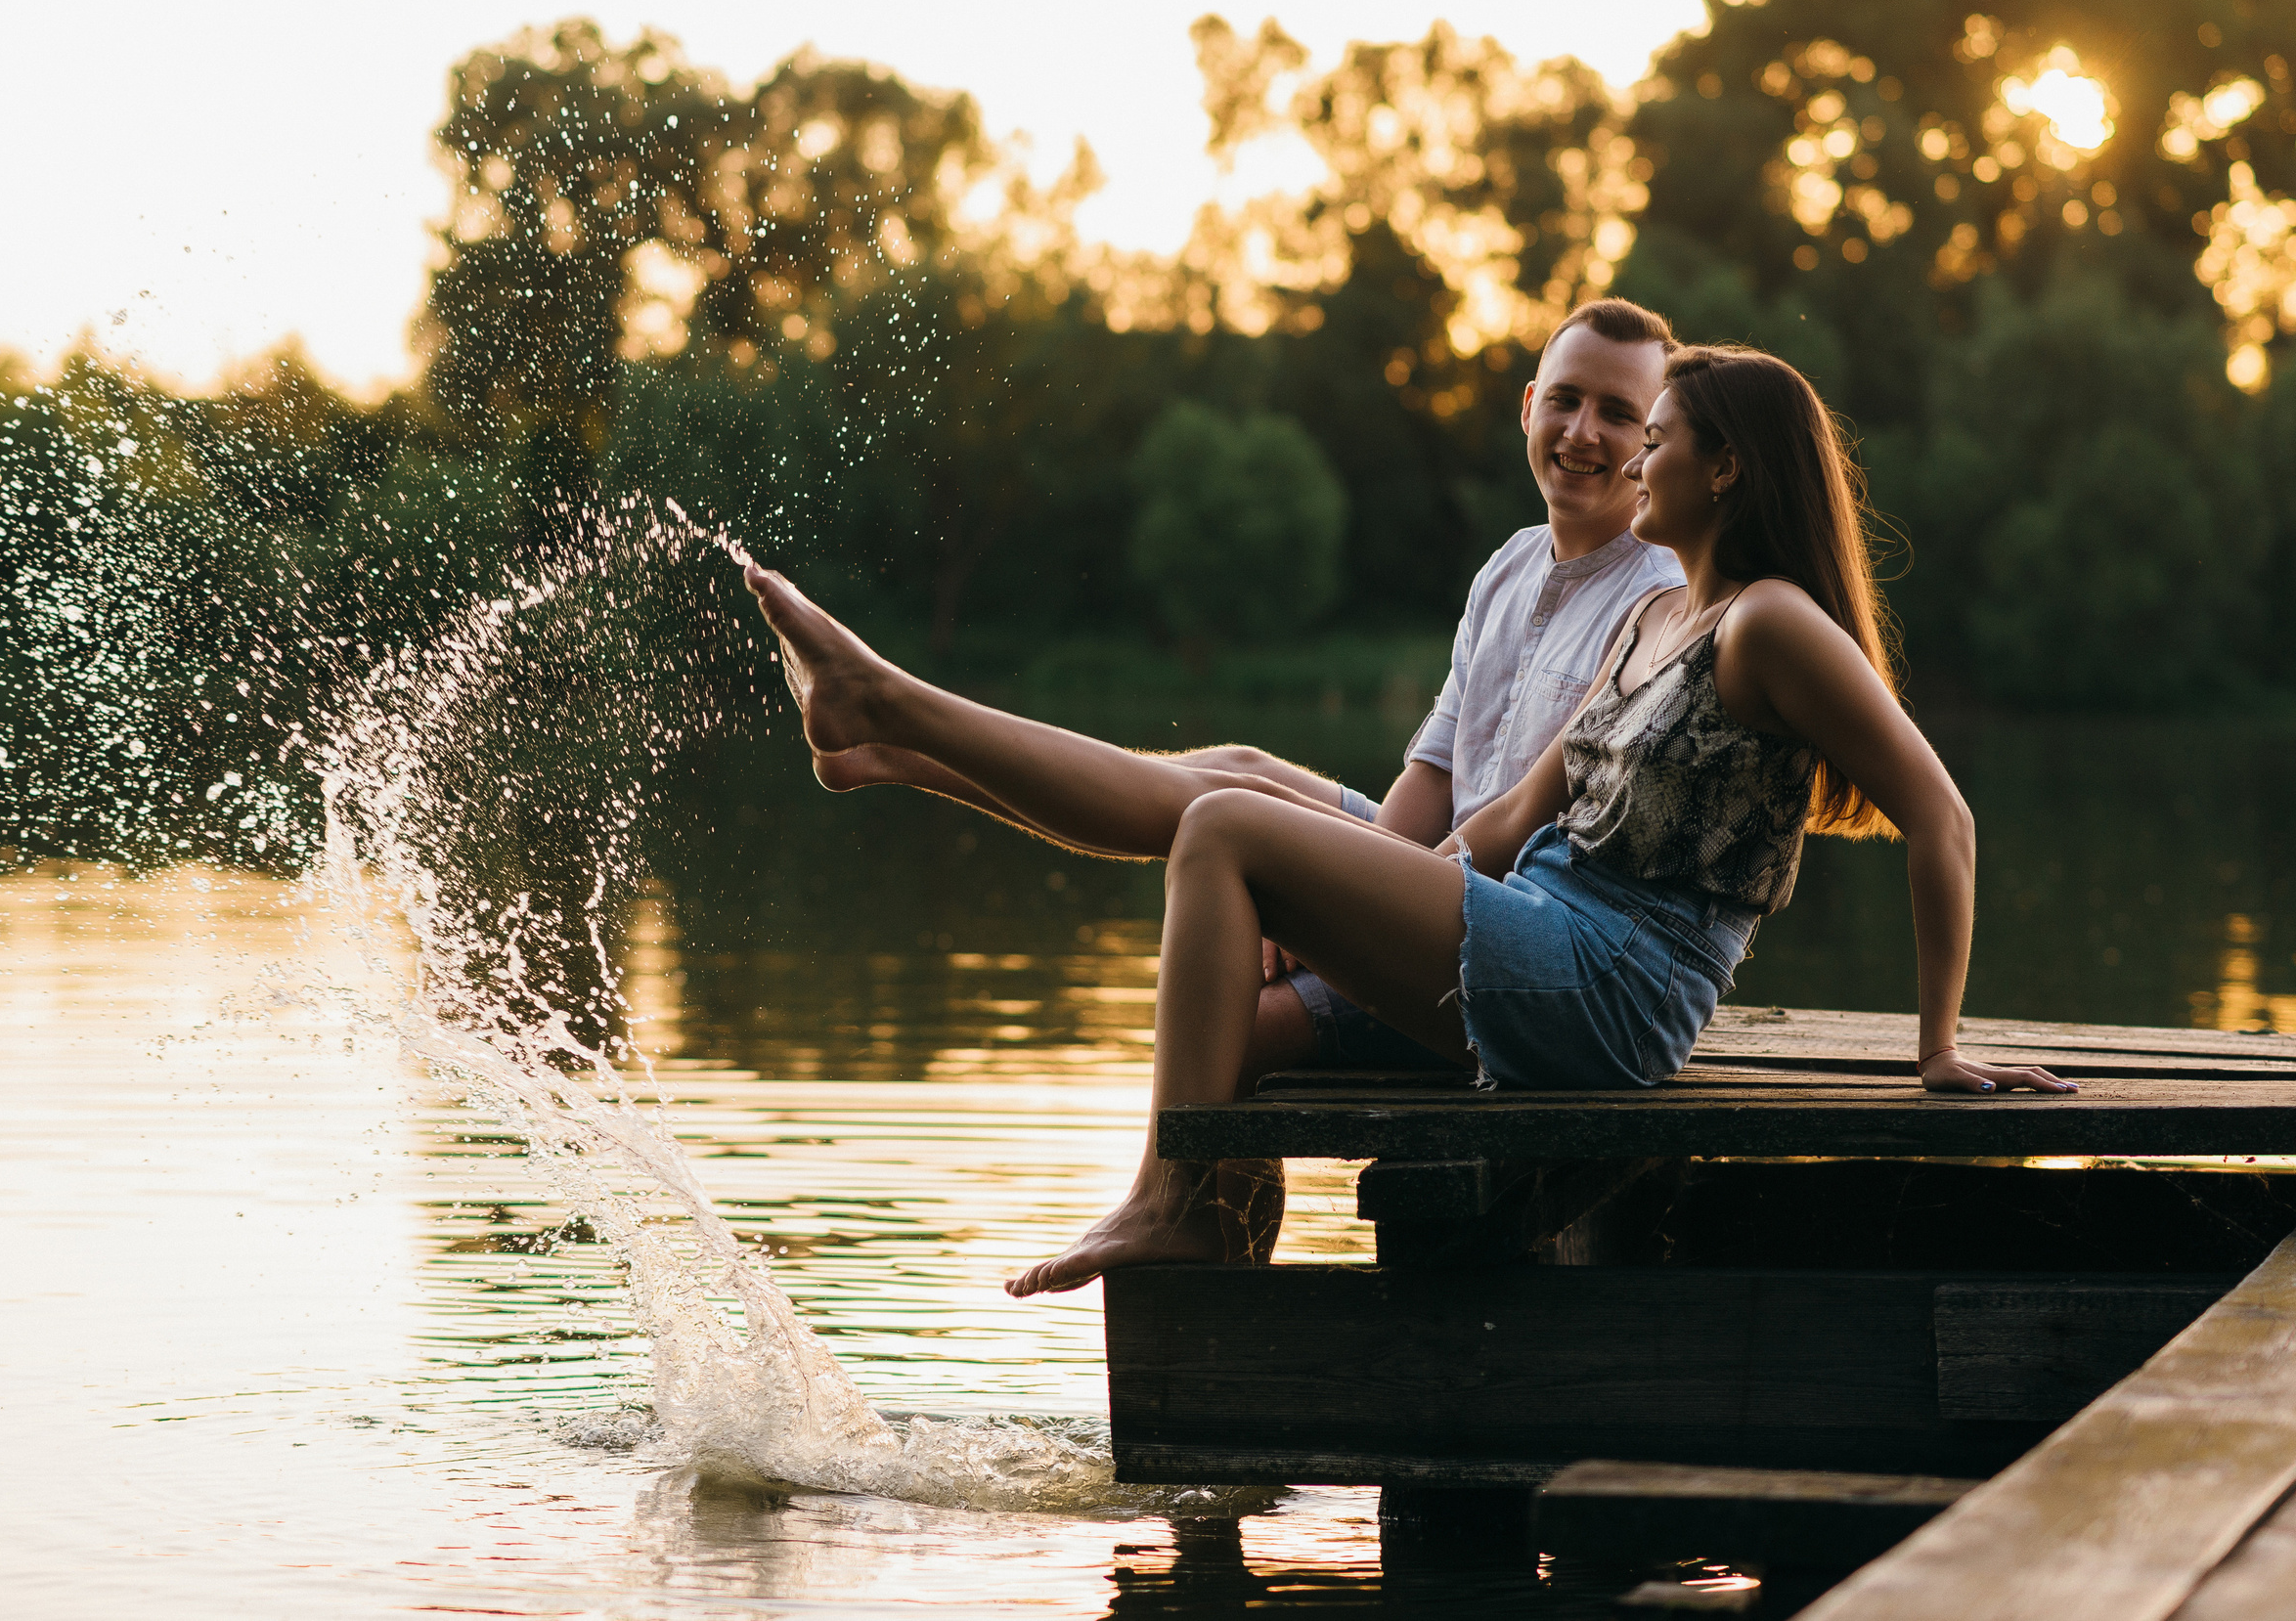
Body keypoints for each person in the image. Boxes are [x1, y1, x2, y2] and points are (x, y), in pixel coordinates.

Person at [742, 341, 2078, 1301]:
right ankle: (910, 739)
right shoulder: (1658, 610)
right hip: (1539, 921)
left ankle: (1173, 1205)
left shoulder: (1770, 620)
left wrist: (1940, 1046)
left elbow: (1940, 816)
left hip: (1616, 986)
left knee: (1221, 828)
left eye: (1656, 433)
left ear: (1723, 468)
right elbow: (1502, 820)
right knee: (1236, 850)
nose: (1636, 454)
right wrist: (1349, 907)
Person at [820, 297, 1688, 1080]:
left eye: (1619, 415)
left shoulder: (1659, 596)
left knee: (1230, 1017)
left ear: (1652, 444)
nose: (1584, 431)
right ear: (1529, 407)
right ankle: (910, 749)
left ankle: (1199, 1213)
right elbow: (1431, 780)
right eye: (1567, 400)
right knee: (1234, 767)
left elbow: (1518, 831)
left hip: (1516, 940)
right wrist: (1338, 898)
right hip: (1443, 874)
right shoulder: (1507, 566)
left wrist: (1330, 914)